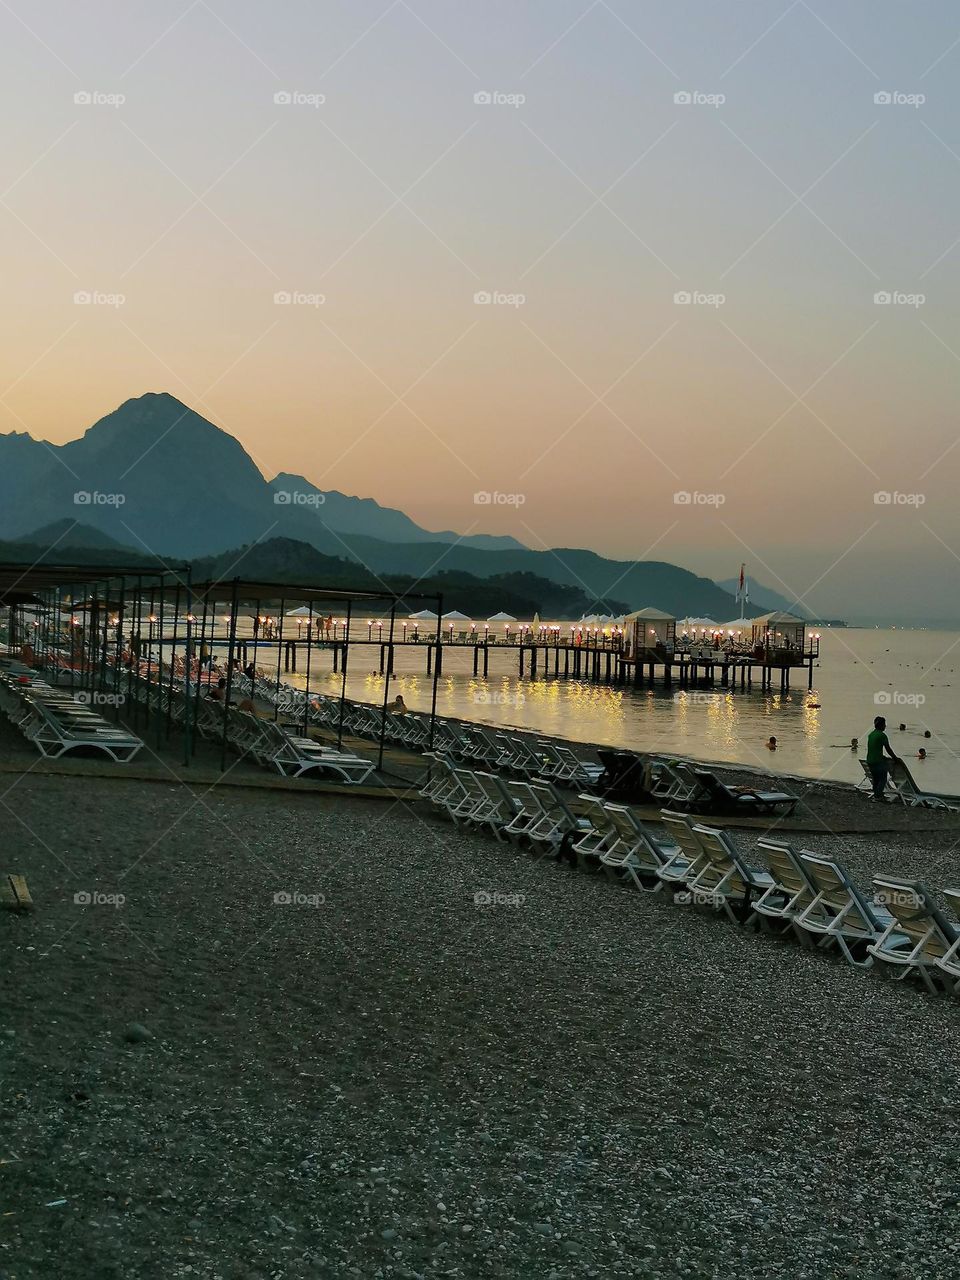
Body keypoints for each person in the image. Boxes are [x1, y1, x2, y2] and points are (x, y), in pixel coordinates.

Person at [865, 715, 898, 801]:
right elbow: (888, 749)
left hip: (869, 760)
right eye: (884, 724)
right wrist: (895, 758)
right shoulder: (882, 735)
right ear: (881, 725)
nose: (885, 726)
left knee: (876, 779)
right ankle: (878, 796)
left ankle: (877, 794)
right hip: (877, 761)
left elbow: (874, 748)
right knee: (883, 778)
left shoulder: (871, 734)